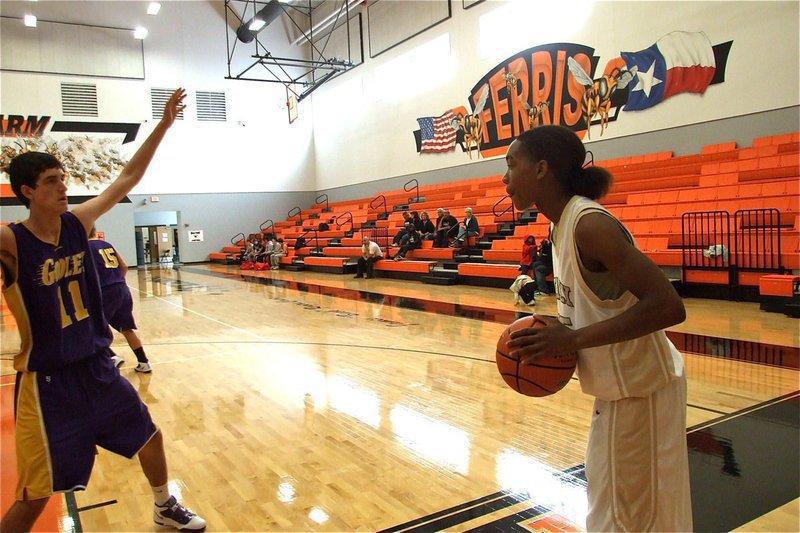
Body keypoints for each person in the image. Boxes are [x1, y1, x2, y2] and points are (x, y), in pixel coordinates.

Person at [0, 88, 206, 532]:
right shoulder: (12, 241)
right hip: (48, 383)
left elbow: (127, 178)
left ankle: (163, 506)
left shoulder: (78, 224)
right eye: (52, 181)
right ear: (27, 192)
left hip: (97, 367)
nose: (64, 185)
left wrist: (164, 126)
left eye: (63, 177)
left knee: (150, 438)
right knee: (35, 495)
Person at [502, 125, 691, 532]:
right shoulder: (558, 225)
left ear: (540, 169)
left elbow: (668, 305)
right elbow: (599, 305)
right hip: (616, 393)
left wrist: (571, 338)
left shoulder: (589, 224)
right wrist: (557, 327)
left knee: (630, 520)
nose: (504, 179)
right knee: (610, 513)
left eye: (510, 165)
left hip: (644, 390)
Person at [88, 227, 152, 373]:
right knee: (127, 329)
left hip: (105, 292)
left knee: (90, 328)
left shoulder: (85, 248)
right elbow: (124, 266)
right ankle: (144, 362)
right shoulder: (107, 244)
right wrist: (116, 280)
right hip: (122, 289)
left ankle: (112, 356)